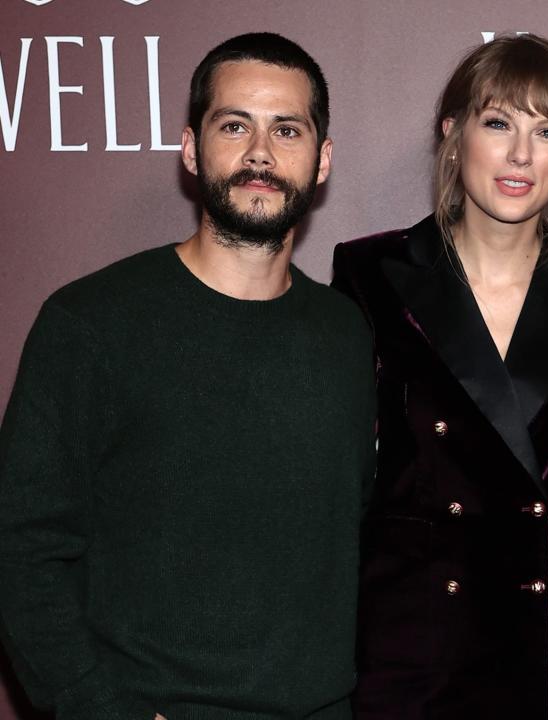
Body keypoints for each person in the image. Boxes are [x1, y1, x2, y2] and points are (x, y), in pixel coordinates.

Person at [0, 33, 375, 720]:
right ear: (191, 148)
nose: (260, 152)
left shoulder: (347, 334)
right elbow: (20, 548)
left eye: (286, 130)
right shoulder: (91, 323)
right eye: (235, 125)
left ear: (321, 161)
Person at [332, 34, 548, 720]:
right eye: (498, 122)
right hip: (411, 642)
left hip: (541, 642)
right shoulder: (371, 274)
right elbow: (342, 468)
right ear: (452, 133)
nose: (521, 155)